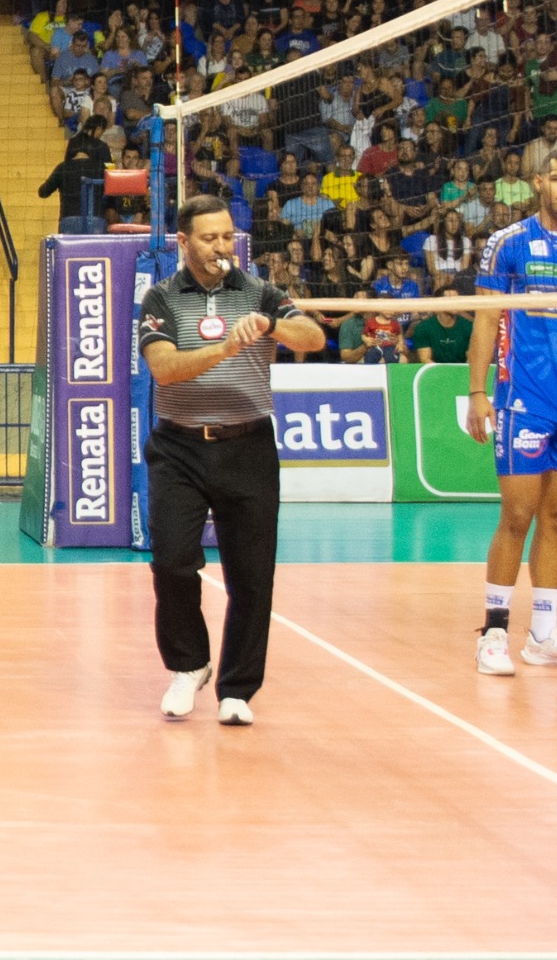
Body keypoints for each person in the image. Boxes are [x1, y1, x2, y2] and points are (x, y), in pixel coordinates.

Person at [137, 194, 327, 725]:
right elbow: (165, 369)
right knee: (172, 561)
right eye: (209, 237)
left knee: (251, 574)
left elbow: (311, 337)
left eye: (226, 236)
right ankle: (189, 664)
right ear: (184, 242)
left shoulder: (260, 292)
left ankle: (237, 689)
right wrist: (223, 350)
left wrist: (270, 326)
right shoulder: (161, 298)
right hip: (179, 448)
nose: (221, 246)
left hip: (248, 446)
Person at [466, 144, 557, 673]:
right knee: (517, 514)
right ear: (537, 182)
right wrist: (477, 392)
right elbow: (486, 320)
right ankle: (493, 634)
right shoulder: (507, 243)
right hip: (523, 400)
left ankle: (543, 633)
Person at [408, 289, 473, 364]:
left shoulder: (468, 327)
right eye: (450, 300)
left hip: (461, 371)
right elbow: (425, 359)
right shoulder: (423, 328)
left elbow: (471, 359)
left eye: (457, 299)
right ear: (439, 303)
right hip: (434, 372)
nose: (455, 303)